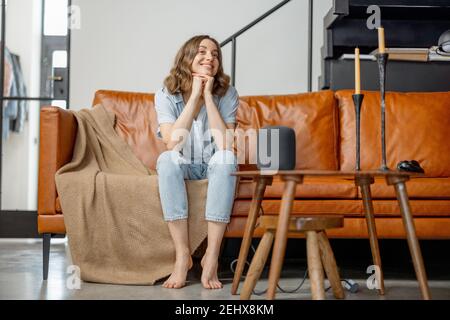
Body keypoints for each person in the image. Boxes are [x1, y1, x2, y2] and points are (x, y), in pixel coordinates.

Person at [154, 35, 239, 289]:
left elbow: (225, 145)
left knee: (226, 158)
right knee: (166, 159)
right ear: (187, 57)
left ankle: (211, 257)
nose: (210, 57)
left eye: (215, 54)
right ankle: (183, 256)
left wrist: (209, 98)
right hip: (185, 164)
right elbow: (172, 143)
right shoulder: (166, 93)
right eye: (202, 52)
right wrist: (194, 98)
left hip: (214, 165)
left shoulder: (228, 94)